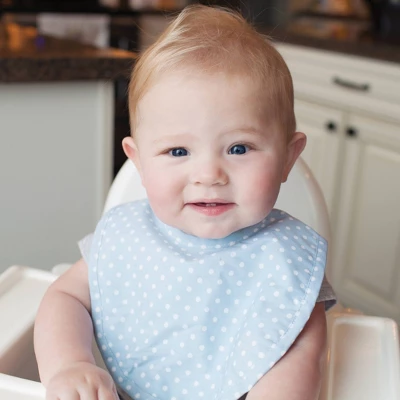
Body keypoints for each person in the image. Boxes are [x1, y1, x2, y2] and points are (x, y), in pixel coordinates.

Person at [34, 5, 336, 400]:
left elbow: (301, 357)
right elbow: (64, 297)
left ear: (287, 158)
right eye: (178, 151)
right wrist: (69, 364)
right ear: (139, 161)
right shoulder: (127, 240)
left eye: (239, 148)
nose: (208, 175)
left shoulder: (287, 258)